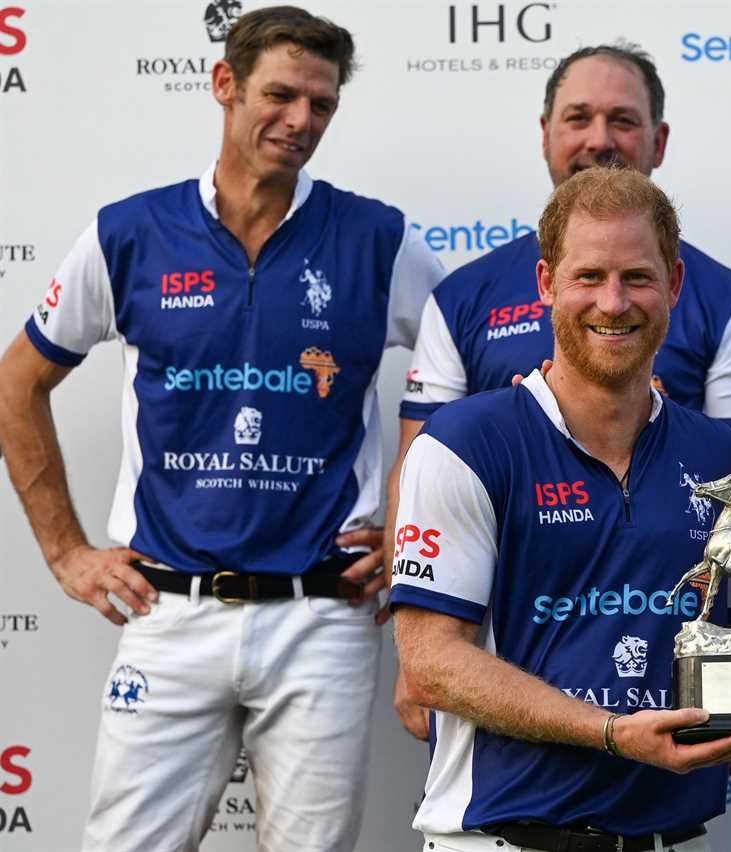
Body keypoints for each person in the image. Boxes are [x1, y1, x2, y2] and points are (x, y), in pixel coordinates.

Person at [0, 8, 445, 851]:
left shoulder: (375, 238)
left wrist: (416, 530)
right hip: (167, 611)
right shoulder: (131, 233)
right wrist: (65, 551)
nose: (301, 121)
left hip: (322, 616)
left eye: (321, 104)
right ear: (224, 86)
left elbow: (471, 377)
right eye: (280, 95)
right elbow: (16, 383)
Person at [388, 41, 731, 739]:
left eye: (622, 120)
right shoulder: (464, 295)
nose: (599, 140)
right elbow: (423, 469)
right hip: (510, 735)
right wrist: (422, 633)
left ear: (658, 139)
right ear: (546, 132)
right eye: (578, 117)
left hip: (669, 721)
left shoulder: (727, 299)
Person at [391, 167, 731, 852]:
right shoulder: (468, 442)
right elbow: (432, 662)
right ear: (546, 284)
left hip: (674, 838)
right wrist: (611, 733)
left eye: (638, 278)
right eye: (588, 276)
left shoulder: (715, 455)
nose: (613, 303)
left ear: (674, 285)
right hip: (506, 838)